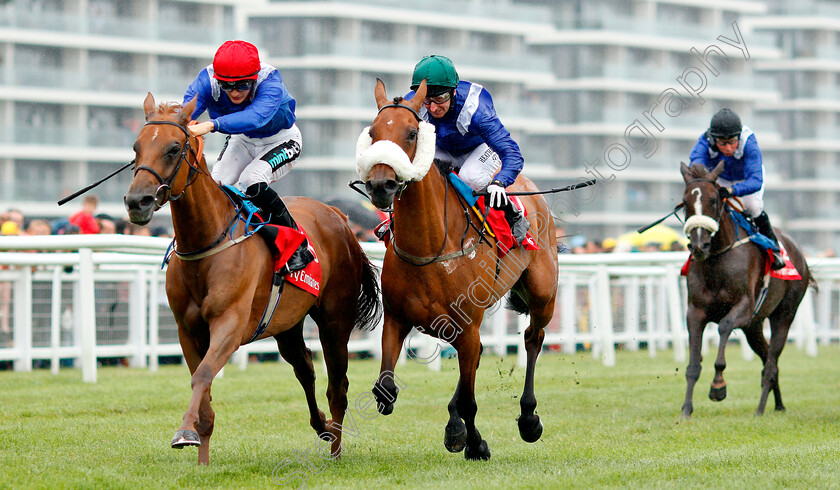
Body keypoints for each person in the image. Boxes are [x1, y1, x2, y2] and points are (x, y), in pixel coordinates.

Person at [183, 40, 311, 270]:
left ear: (254, 78)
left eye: (242, 85)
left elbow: (255, 117)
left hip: (282, 140)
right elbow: (184, 111)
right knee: (216, 185)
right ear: (218, 80)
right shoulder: (207, 79)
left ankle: (298, 244)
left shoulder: (270, 82)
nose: (234, 92)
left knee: (251, 180)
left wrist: (211, 125)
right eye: (226, 85)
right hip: (243, 139)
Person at [406, 55, 529, 244]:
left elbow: (512, 153)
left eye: (439, 99)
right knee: (420, 173)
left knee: (470, 176)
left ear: (453, 92)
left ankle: (512, 213)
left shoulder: (477, 110)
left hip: (479, 149)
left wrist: (500, 182)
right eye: (427, 100)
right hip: (443, 148)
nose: (432, 108)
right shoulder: (413, 104)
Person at [689, 108, 785, 270]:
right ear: (714, 139)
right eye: (722, 143)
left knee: (753, 207)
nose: (727, 148)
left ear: (738, 137)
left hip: (746, 179)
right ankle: (699, 244)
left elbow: (755, 181)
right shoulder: (703, 143)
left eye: (732, 142)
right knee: (705, 205)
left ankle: (774, 249)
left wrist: (733, 191)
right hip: (719, 177)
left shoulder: (749, 143)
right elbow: (696, 170)